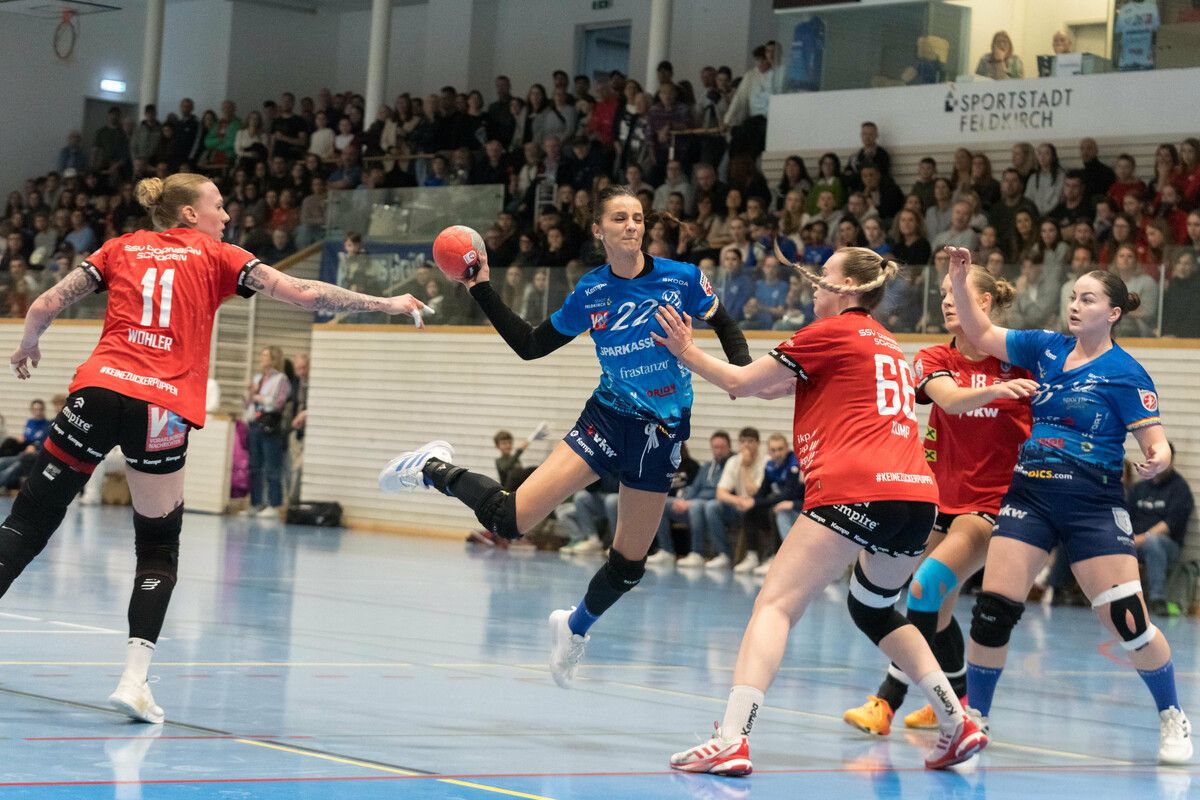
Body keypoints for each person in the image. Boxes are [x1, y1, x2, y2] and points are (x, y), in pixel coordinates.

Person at [3, 173, 429, 726]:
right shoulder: (221, 255)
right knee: (157, 546)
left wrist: (28, 345)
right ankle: (134, 682)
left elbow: (44, 303)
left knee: (29, 519)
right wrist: (388, 303)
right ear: (188, 215)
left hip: (99, 390)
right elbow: (305, 294)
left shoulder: (118, 248)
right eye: (219, 206)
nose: (226, 216)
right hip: (160, 407)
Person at [377, 186, 751, 688]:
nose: (632, 225)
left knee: (628, 567)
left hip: (660, 437)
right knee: (509, 520)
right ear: (599, 231)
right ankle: (432, 468)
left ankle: (574, 630)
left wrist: (742, 375)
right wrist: (481, 287)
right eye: (619, 218)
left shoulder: (681, 279)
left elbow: (724, 322)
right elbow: (532, 345)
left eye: (638, 217)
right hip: (608, 419)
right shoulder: (591, 292)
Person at [660, 246, 986, 776]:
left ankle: (731, 738)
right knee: (875, 609)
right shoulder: (883, 343)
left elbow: (742, 383)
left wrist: (686, 351)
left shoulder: (831, 333)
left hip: (855, 487)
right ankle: (957, 721)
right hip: (914, 499)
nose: (813, 285)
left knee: (774, 606)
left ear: (850, 288)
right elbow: (772, 388)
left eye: (823, 277)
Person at [944, 245, 1193, 765]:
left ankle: (1172, 715)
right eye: (1072, 296)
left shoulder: (1126, 373)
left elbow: (1157, 442)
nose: (1075, 305)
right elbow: (981, 331)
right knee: (993, 613)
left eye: (1088, 299)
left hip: (1092, 504)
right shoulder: (1045, 348)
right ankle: (976, 721)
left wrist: (1156, 458)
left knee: (1127, 620)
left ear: (1114, 313)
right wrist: (960, 279)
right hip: (1030, 495)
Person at [843, 265, 1035, 736]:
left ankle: (887, 701)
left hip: (990, 507)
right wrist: (994, 390)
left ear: (984, 302)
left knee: (927, 586)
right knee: (937, 607)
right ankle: (954, 698)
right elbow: (948, 400)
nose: (947, 300)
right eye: (944, 292)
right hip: (938, 501)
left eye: (958, 292)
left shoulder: (1023, 358)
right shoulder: (933, 356)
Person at [1129, 443, 1195, 616]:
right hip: (1135, 541)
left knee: (1153, 542)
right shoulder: (1139, 488)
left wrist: (1142, 538)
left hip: (1166, 546)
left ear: (1170, 461)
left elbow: (1169, 525)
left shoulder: (1180, 489)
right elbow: (1125, 515)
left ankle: (1157, 598)